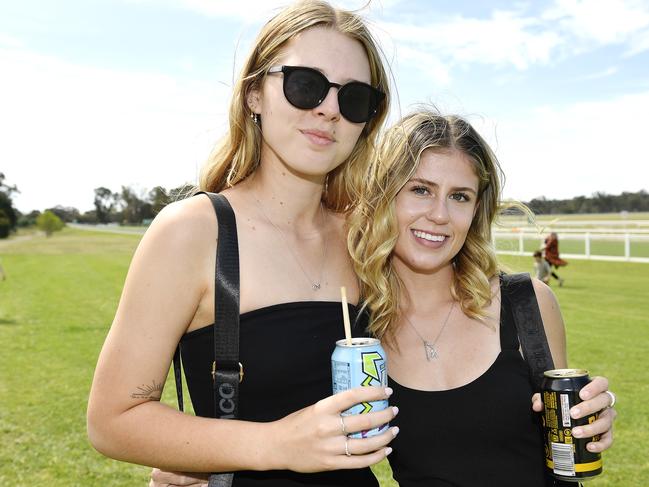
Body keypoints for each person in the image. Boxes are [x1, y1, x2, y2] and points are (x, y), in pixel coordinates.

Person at [87, 2, 399, 486]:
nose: (329, 109)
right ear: (255, 93)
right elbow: (112, 420)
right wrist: (274, 444)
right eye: (305, 84)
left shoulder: (368, 236)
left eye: (355, 98)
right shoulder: (193, 231)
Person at [346, 110, 616, 486]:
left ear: (476, 210)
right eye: (420, 189)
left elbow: (565, 438)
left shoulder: (528, 304)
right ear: (383, 196)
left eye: (459, 196)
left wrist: (594, 416)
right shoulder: (356, 334)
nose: (439, 215)